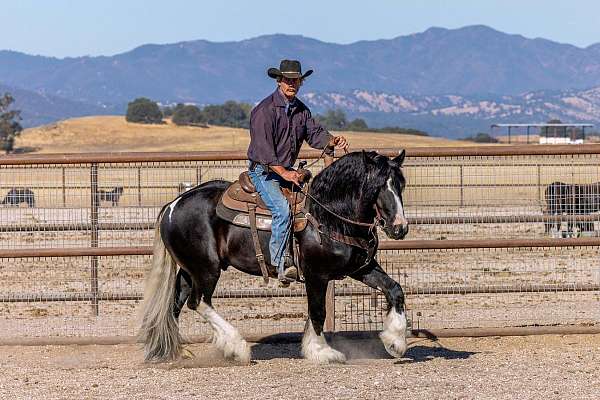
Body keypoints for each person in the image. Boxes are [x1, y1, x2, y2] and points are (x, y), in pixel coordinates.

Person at [247, 59, 349, 284]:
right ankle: (280, 263)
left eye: (296, 80)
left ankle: (314, 257)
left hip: (284, 170)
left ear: (301, 82)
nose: (292, 84)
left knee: (314, 205)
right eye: (287, 80)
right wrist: (285, 173)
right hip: (263, 172)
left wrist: (332, 140)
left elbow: (314, 134)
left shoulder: (301, 111)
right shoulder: (264, 111)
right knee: (282, 210)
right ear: (279, 81)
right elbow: (263, 150)